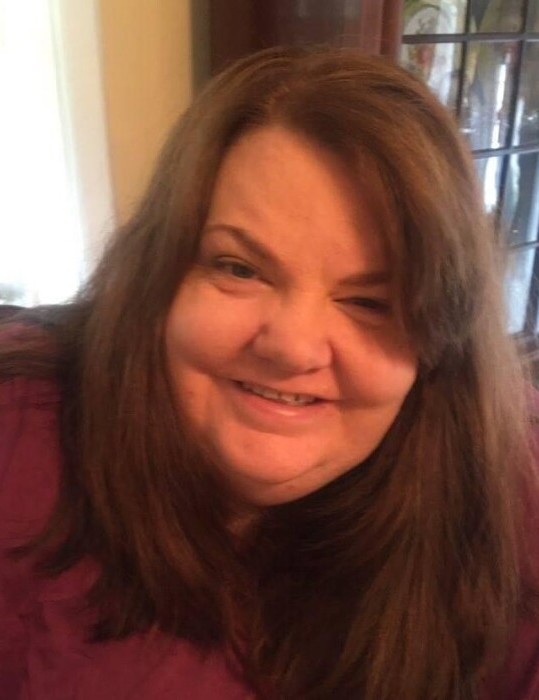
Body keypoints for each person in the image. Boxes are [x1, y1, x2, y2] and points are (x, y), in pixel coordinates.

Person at [0, 45, 538, 700]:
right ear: (158, 276)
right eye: (239, 268)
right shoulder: (22, 427)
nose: (291, 347)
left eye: (369, 302)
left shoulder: (502, 478)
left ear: (438, 348)